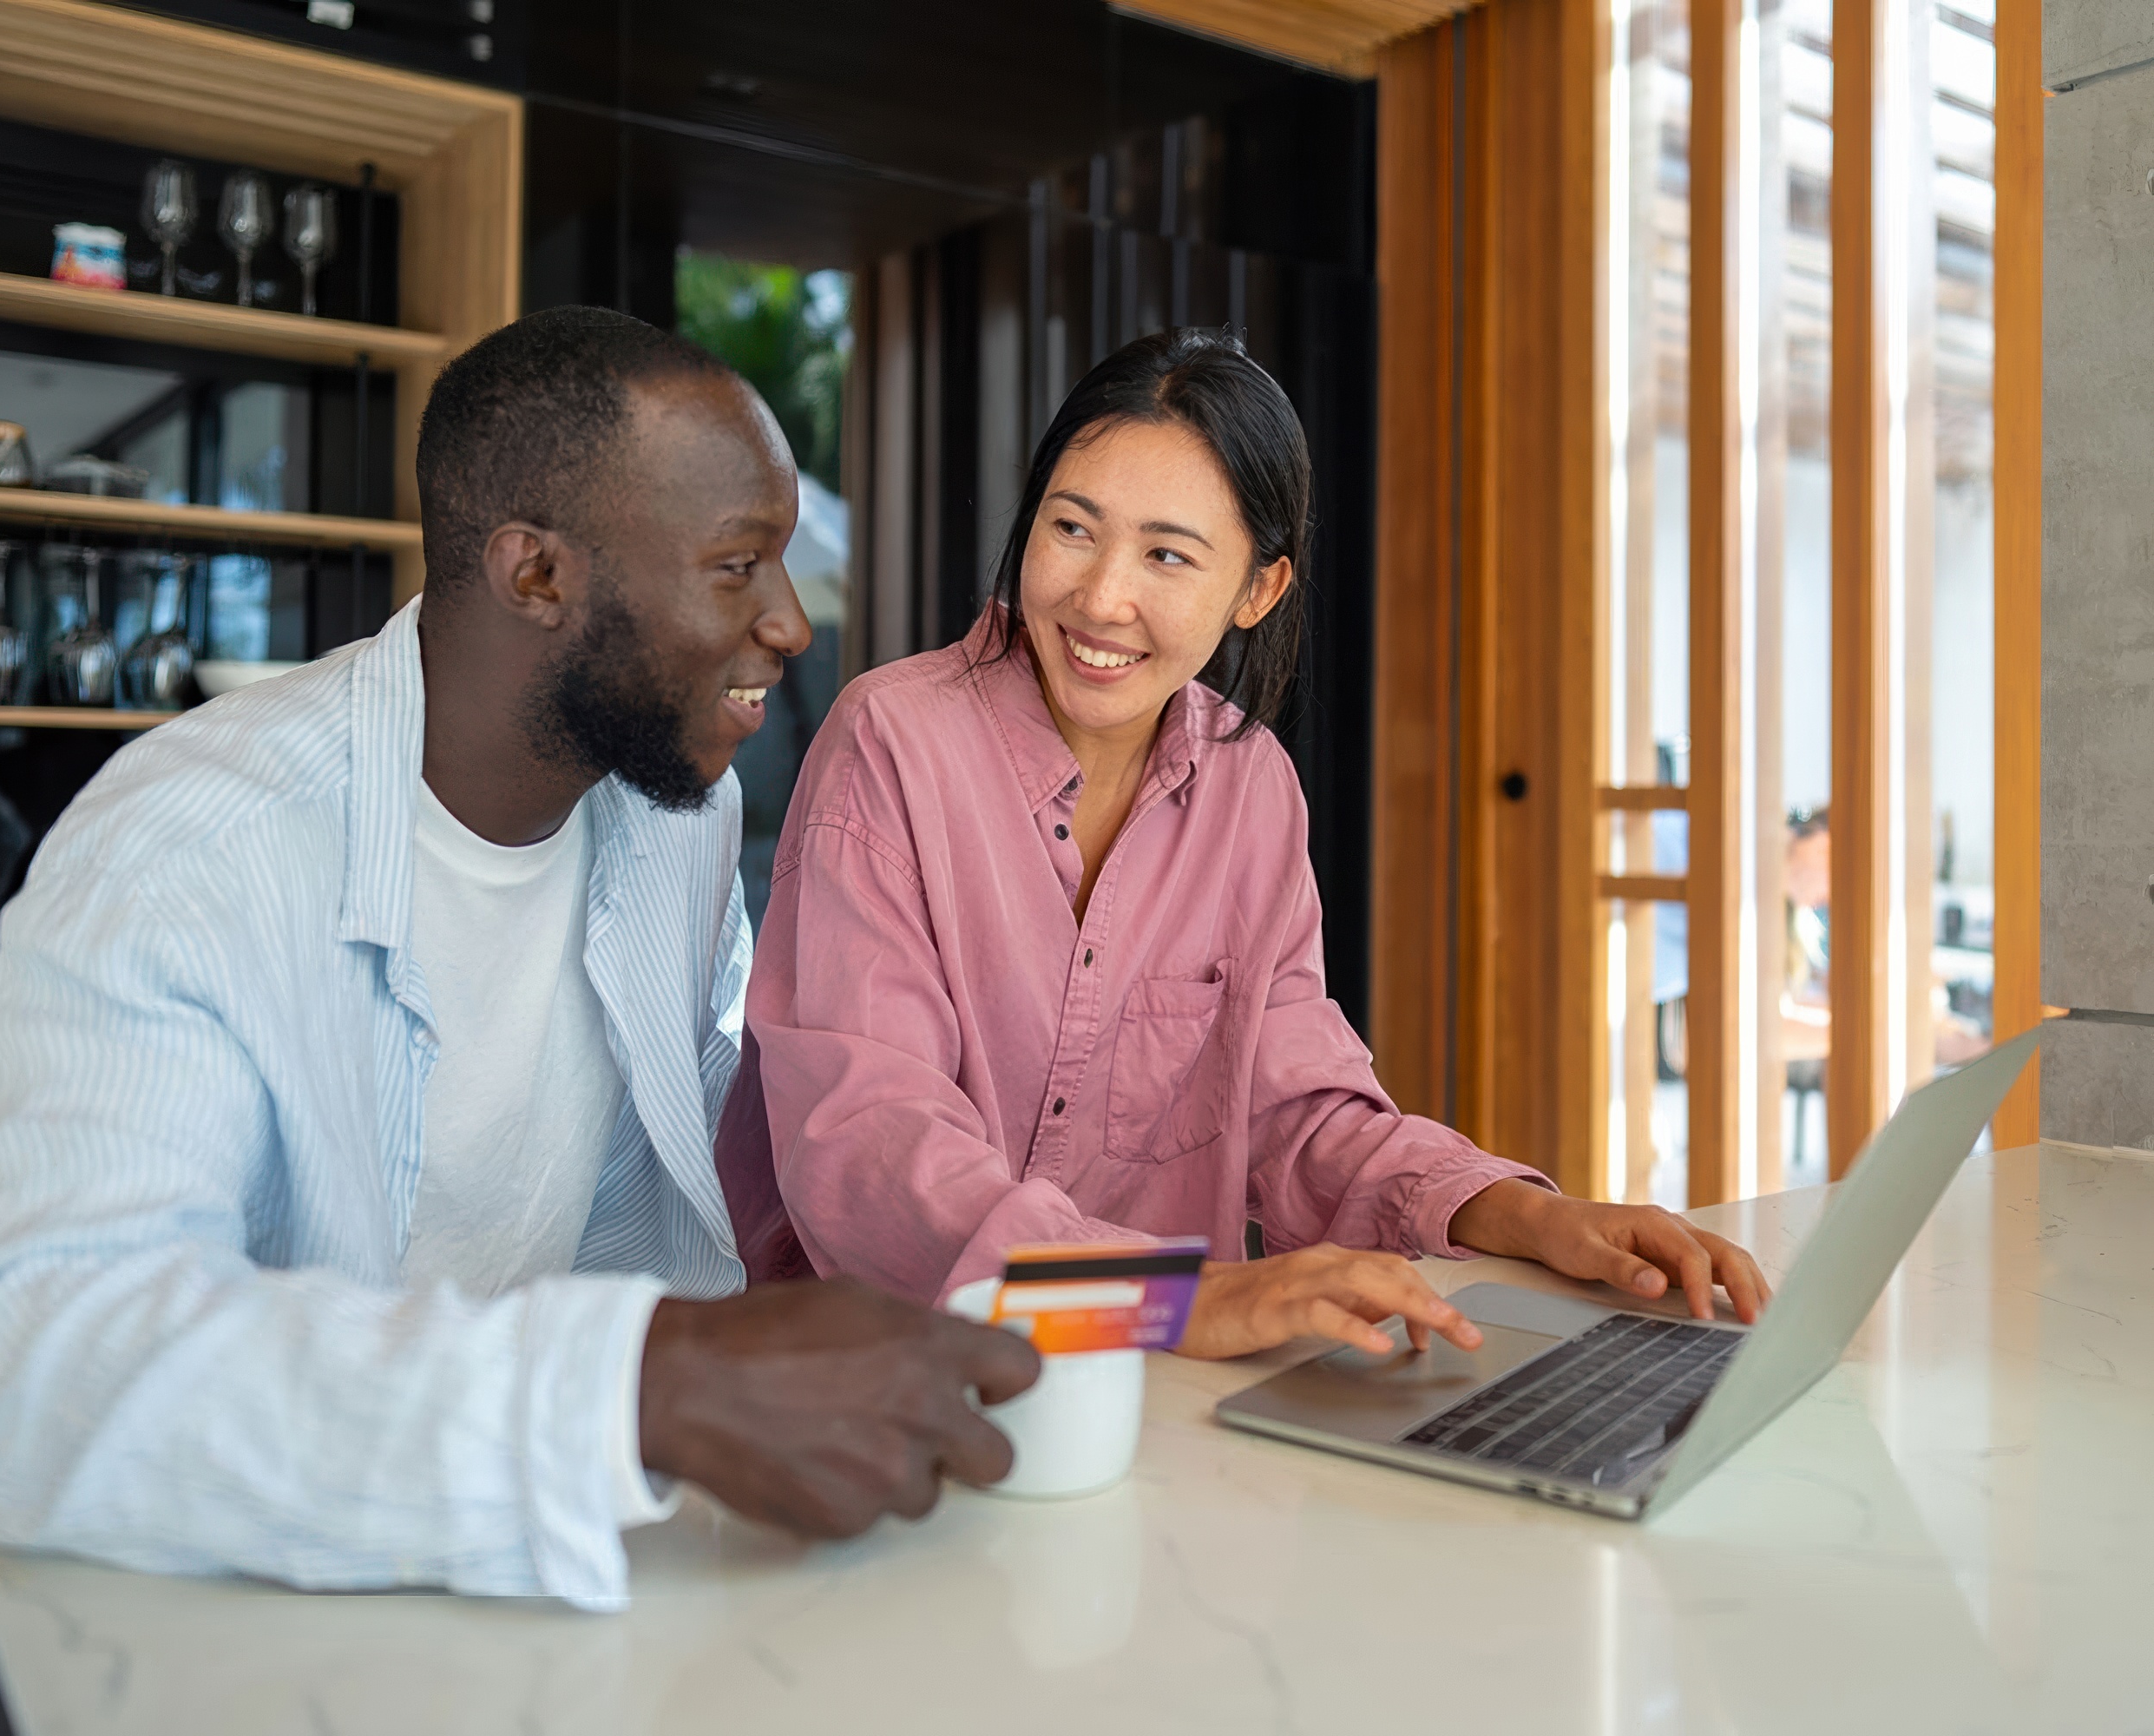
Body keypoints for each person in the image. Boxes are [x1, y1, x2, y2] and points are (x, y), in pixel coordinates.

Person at [0, 307, 1038, 1614]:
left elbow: (646, 1214)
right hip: (199, 1619)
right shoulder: (188, 848)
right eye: (738, 565)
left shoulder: (674, 817)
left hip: (514, 1593)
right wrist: (636, 1388)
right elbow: (28, 1369)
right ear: (536, 576)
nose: (789, 625)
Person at [718, 328, 1769, 1360]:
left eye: (1166, 554)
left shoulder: (1250, 783)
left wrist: (1527, 1217)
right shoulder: (892, 738)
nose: (1099, 596)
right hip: (884, 1388)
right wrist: (1179, 1299)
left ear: (1256, 589)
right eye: (1071, 528)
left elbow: (1295, 1111)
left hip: (1153, 1404)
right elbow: (869, 1148)